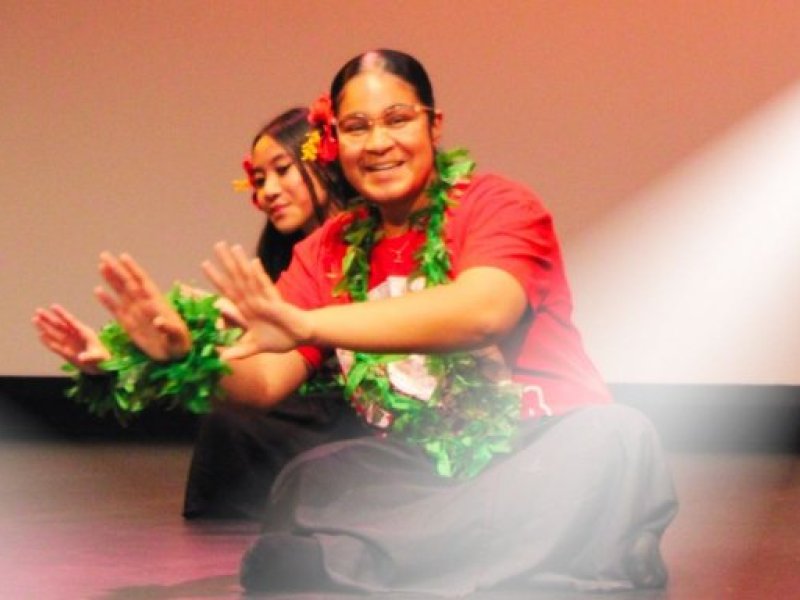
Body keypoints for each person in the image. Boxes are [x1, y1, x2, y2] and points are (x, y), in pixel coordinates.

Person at [194, 49, 678, 595]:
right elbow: (261, 379)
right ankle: (546, 559)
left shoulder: (497, 205)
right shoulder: (325, 250)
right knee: (311, 478)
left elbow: (482, 313)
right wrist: (183, 355)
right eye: (357, 128)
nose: (378, 143)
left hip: (538, 444)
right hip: (422, 470)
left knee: (616, 439)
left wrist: (312, 325)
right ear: (336, 142)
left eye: (397, 120)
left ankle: (377, 562)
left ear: (433, 124)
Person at [33, 106, 366, 520]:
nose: (268, 191)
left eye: (283, 170)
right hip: (297, 391)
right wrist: (124, 360)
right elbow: (254, 365)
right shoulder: (294, 264)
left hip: (375, 414)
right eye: (259, 181)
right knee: (230, 420)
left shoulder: (371, 238)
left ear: (322, 161)